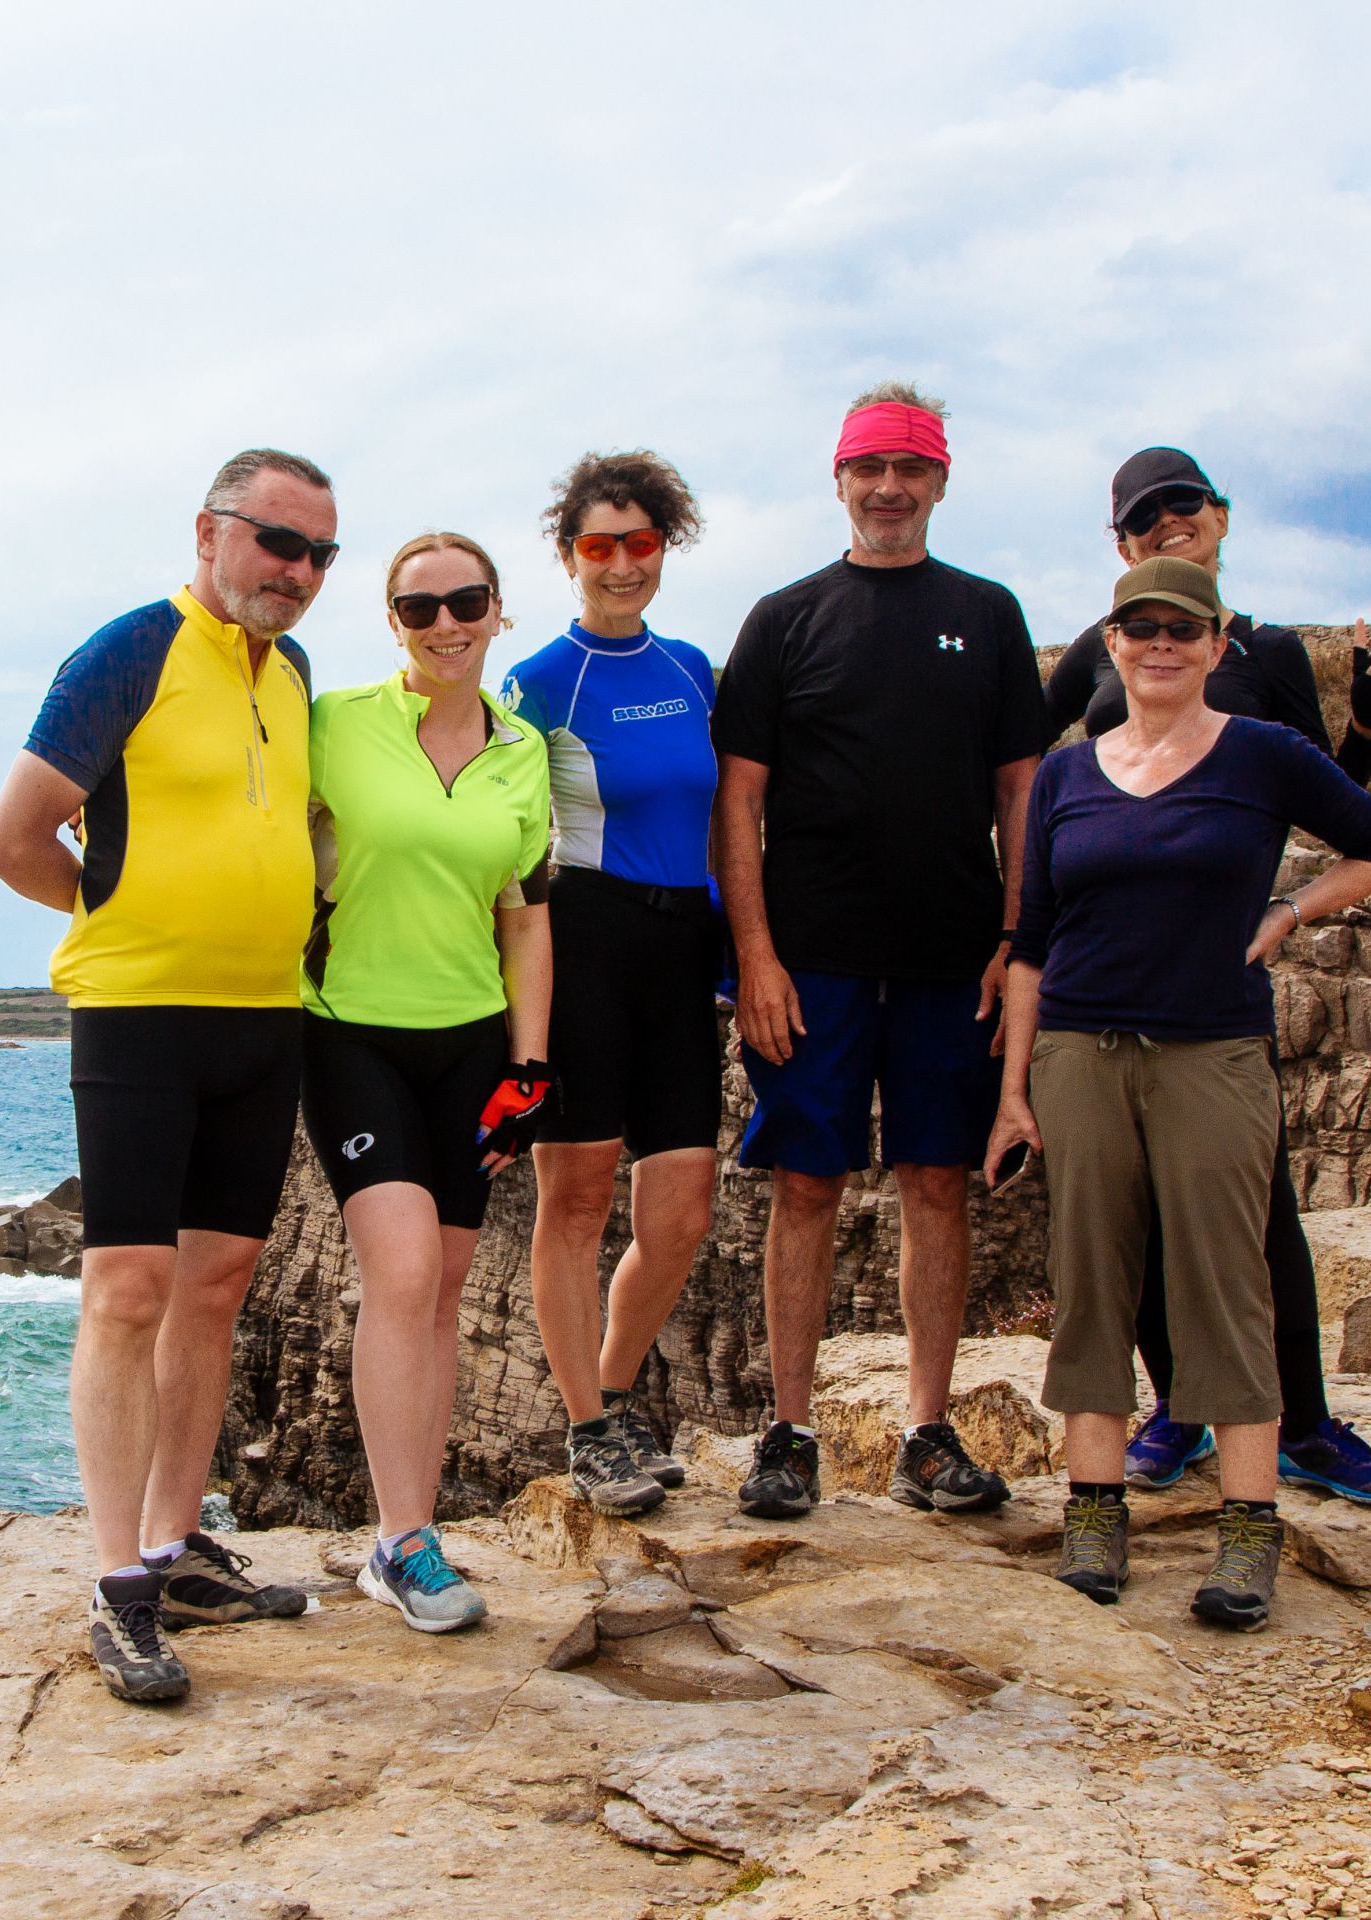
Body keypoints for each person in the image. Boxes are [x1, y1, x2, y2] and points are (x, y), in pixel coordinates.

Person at [986, 555, 1371, 1630]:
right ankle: (1094, 1513)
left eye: (1183, 627)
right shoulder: (1068, 777)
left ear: (1217, 647)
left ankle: (1248, 1532)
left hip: (1212, 1055)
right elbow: (1029, 946)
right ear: (1113, 645)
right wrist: (1013, 1093)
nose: (1160, 642)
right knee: (1091, 1279)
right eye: (1140, 627)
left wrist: (1292, 915)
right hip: (1077, 1053)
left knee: (1225, 1285)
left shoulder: (1261, 755)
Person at [0, 448, 337, 1705]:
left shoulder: (291, 674)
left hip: (263, 1022)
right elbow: (12, 838)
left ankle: (180, 1551)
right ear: (210, 531)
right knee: (128, 1289)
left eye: (316, 555)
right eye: (275, 542)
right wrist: (117, 908)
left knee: (218, 1285)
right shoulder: (125, 652)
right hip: (136, 1014)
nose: (294, 573)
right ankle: (119, 1584)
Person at [710, 383, 1050, 1521]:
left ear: (940, 482)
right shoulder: (784, 617)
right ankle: (790, 1430)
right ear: (840, 478)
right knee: (805, 1183)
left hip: (953, 957)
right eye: (871, 469)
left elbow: (1020, 790)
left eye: (911, 469)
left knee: (935, 1182)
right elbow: (737, 801)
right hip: (810, 964)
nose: (890, 489)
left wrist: (1014, 942)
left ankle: (926, 1430)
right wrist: (753, 955)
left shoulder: (988, 615)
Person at [302, 531, 554, 1632]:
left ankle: (412, 1530)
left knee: (443, 1295)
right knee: (401, 1274)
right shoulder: (336, 724)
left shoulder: (525, 751)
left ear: (499, 610)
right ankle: (403, 1543)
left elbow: (525, 913)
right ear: (391, 621)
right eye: (419, 608)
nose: (445, 624)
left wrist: (530, 1064)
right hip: (347, 1030)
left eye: (466, 603)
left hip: (472, 1044)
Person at [501, 452, 720, 1519]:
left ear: (663, 549)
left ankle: (618, 1389)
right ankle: (588, 1430)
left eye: (642, 543)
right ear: (568, 555)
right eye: (601, 545)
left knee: (681, 1207)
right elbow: (498, 833)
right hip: (583, 941)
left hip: (684, 950)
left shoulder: (690, 669)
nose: (622, 563)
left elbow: (724, 816)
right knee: (578, 1197)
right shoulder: (540, 680)